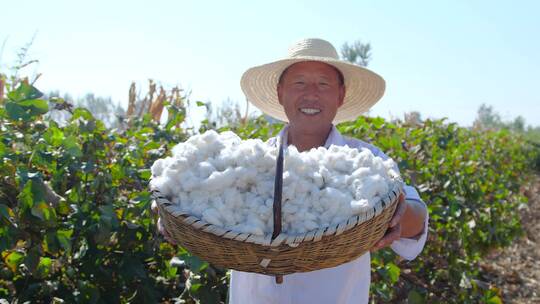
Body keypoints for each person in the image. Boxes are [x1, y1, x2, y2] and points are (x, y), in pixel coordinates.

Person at [153, 38, 428, 304]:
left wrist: (397, 215)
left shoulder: (367, 163)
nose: (311, 94)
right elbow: (197, 211)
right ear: (280, 93)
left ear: (340, 95)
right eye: (299, 83)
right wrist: (178, 211)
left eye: (323, 83)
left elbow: (416, 217)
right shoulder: (245, 165)